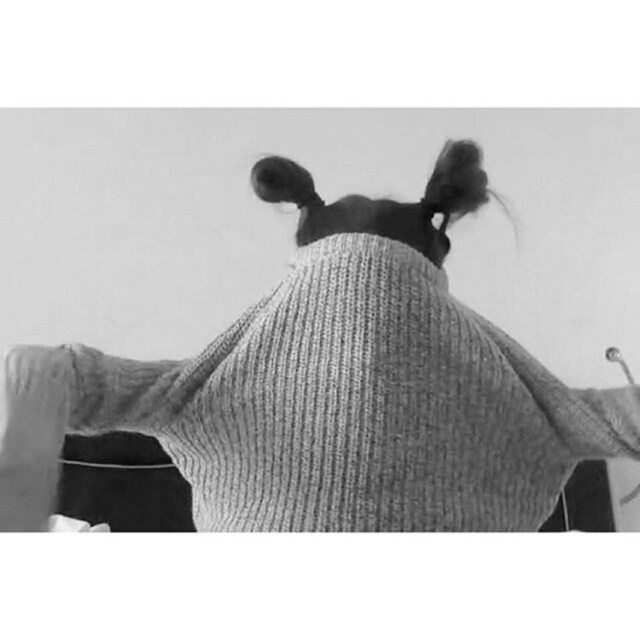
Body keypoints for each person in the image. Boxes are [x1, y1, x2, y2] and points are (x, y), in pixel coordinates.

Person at [2, 139, 640, 532]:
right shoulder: (522, 394)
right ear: (434, 256)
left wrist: (20, 508)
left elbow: (40, 369)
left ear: (304, 255)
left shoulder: (209, 382)